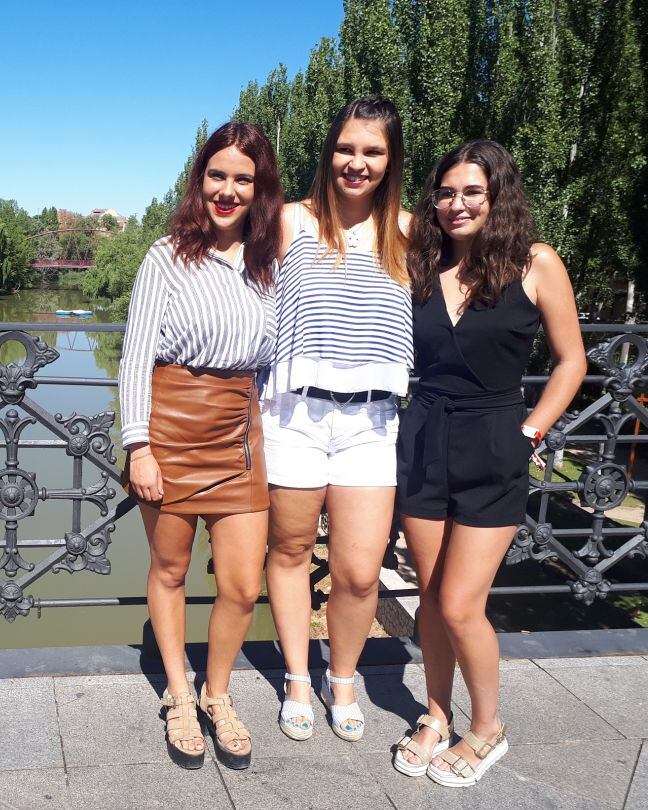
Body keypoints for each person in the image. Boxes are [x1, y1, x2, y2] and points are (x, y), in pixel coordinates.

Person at [392, 140, 585, 786]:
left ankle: (488, 727)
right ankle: (438, 714)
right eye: (445, 193)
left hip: (494, 445)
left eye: (471, 191)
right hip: (423, 441)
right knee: (428, 594)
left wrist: (530, 430)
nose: (457, 203)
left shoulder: (535, 264)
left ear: (497, 194)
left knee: (460, 602)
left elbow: (572, 361)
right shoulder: (423, 263)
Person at [118, 121, 282, 771]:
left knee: (243, 585)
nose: (228, 189)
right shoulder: (166, 255)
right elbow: (134, 358)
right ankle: (180, 696)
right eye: (218, 175)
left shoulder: (271, 265)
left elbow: (272, 361)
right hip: (170, 429)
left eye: (243, 178)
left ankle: (220, 693)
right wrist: (139, 447)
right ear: (200, 180)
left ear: (258, 188)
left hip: (239, 437)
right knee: (171, 571)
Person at [262, 96, 412, 743]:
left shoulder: (411, 232)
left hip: (372, 424)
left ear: (390, 160)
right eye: (346, 148)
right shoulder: (290, 221)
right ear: (329, 152)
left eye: (372, 151)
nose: (357, 162)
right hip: (292, 412)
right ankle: (298, 676)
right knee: (292, 551)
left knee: (357, 571)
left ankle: (340, 677)